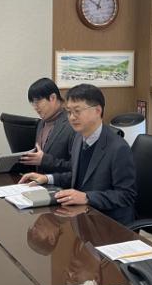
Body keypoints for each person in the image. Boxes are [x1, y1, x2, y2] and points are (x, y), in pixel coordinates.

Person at [20, 84, 137, 225]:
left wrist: (87, 197)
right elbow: (78, 176)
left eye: (77, 111)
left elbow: (126, 195)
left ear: (97, 111)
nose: (72, 117)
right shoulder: (78, 138)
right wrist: (47, 178)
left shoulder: (118, 148)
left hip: (109, 223)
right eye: (69, 112)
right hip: (83, 215)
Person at [20, 78, 74, 173]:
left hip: (59, 181)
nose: (35, 107)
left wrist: (44, 160)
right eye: (33, 103)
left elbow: (75, 167)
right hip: (38, 179)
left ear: (53, 98)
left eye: (37, 101)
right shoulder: (42, 122)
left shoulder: (72, 124)